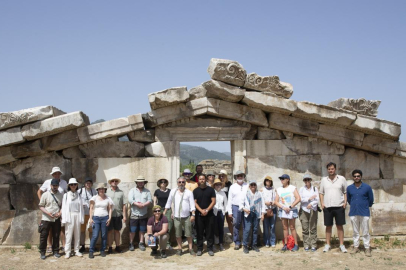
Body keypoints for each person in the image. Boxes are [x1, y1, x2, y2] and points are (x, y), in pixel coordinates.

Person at [37, 167, 68, 253]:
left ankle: (63, 245)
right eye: (55, 173)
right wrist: (43, 202)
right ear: (52, 174)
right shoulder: (47, 182)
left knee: (61, 227)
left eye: (58, 173)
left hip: (61, 208)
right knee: (49, 229)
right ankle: (50, 245)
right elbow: (39, 191)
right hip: (49, 209)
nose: (57, 175)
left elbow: (67, 193)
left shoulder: (64, 182)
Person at [319, 162, 348, 253]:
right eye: (329, 169)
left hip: (339, 205)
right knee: (328, 226)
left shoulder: (342, 179)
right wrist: (322, 203)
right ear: (327, 170)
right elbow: (321, 193)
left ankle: (342, 245)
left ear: (335, 169)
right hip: (327, 206)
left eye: (332, 169)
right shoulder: (324, 180)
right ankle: (327, 244)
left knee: (340, 226)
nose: (331, 170)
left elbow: (345, 191)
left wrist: (345, 202)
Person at [164, 176, 196, 256]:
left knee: (188, 234)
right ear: (177, 183)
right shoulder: (173, 191)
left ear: (185, 183)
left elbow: (192, 204)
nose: (181, 183)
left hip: (187, 217)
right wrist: (164, 212)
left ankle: (190, 248)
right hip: (176, 217)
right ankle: (180, 249)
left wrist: (193, 215)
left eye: (183, 182)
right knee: (178, 234)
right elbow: (169, 202)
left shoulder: (189, 192)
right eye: (179, 182)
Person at [347, 169, 374, 257]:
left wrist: (365, 206)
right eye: (355, 176)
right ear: (353, 177)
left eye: (358, 176)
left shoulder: (367, 187)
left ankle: (367, 248)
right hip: (354, 211)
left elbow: (371, 199)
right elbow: (349, 199)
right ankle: (356, 246)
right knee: (355, 231)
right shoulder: (349, 188)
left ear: (361, 177)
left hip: (364, 212)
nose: (356, 177)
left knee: (365, 231)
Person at [274, 174, 301, 252]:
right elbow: (276, 201)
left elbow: (298, 198)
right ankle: (286, 244)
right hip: (283, 210)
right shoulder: (279, 189)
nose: (281, 180)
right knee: (285, 228)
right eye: (281, 179)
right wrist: (283, 207)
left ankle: (296, 244)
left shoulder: (292, 188)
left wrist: (290, 206)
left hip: (291, 210)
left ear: (287, 180)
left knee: (292, 227)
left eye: (283, 179)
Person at [38, 179, 63, 260]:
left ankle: (56, 251)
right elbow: (41, 206)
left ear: (58, 186)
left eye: (56, 185)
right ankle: (42, 252)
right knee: (44, 235)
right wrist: (48, 213)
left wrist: (59, 213)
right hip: (46, 218)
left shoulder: (61, 195)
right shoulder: (45, 195)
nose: (55, 187)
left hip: (56, 218)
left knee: (56, 235)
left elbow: (63, 206)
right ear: (51, 185)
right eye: (53, 185)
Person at [88, 183, 114, 258]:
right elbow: (91, 208)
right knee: (95, 235)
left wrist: (109, 218)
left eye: (102, 189)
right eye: (100, 189)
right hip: (96, 218)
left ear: (105, 190)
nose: (101, 190)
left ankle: (102, 250)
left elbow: (110, 209)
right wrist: (90, 218)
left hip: (105, 218)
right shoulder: (94, 198)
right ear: (98, 190)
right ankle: (91, 251)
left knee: (104, 235)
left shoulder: (108, 198)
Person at [240, 180, 265, 254]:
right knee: (247, 230)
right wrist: (245, 209)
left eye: (254, 185)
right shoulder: (245, 194)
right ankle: (245, 246)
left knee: (255, 230)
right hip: (248, 213)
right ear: (249, 186)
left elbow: (263, 204)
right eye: (252, 185)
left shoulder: (259, 194)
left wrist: (263, 214)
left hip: (256, 214)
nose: (253, 186)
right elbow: (241, 204)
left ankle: (254, 245)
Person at [128, 175, 152, 251]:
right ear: (137, 182)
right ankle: (131, 243)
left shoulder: (147, 191)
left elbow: (150, 200)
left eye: (142, 182)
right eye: (139, 182)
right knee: (132, 230)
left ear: (144, 183)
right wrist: (137, 204)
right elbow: (130, 200)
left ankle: (141, 243)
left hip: (143, 213)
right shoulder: (132, 190)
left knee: (142, 230)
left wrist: (144, 204)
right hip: (134, 214)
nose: (140, 183)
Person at [61, 178, 84, 258]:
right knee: (68, 234)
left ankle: (76, 250)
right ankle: (68, 251)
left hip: (77, 215)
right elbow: (63, 208)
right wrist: (64, 219)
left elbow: (81, 207)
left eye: (74, 184)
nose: (73, 186)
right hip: (69, 216)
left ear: (77, 185)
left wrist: (81, 218)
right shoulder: (66, 195)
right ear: (69, 186)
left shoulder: (79, 195)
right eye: (71, 184)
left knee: (77, 234)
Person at [193, 174, 216, 256]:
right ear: (198, 180)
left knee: (210, 232)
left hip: (209, 214)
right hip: (199, 215)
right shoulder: (195, 191)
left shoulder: (211, 190)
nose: (202, 180)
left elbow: (213, 201)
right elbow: (194, 202)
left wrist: (206, 210)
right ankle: (199, 249)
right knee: (199, 232)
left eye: (203, 179)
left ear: (206, 180)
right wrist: (201, 211)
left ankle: (210, 248)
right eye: (200, 179)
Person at [226, 170, 248, 250]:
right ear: (236, 177)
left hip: (245, 207)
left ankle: (245, 242)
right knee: (236, 225)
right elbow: (230, 200)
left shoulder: (247, 185)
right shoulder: (232, 187)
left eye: (241, 176)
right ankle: (237, 242)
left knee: (246, 225)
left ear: (243, 177)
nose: (240, 177)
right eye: (238, 176)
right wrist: (230, 212)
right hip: (235, 207)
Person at [299, 173, 319, 252]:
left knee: (313, 228)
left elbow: (317, 199)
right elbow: (300, 199)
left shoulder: (315, 189)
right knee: (305, 228)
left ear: (310, 180)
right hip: (304, 209)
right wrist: (309, 198)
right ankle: (306, 244)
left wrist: (311, 204)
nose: (307, 181)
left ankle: (313, 244)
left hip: (312, 209)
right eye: (305, 180)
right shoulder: (301, 189)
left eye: (308, 179)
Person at [106, 177, 127, 254]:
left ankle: (117, 246)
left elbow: (124, 205)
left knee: (117, 231)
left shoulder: (121, 192)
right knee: (109, 231)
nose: (114, 182)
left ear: (117, 183)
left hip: (118, 214)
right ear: (110, 182)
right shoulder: (107, 192)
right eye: (113, 181)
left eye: (116, 181)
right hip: (109, 215)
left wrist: (124, 216)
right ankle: (110, 247)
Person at [153, 178, 173, 250]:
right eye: (161, 182)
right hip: (159, 210)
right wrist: (155, 210)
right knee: (158, 225)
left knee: (169, 226)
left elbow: (171, 202)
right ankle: (158, 242)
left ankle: (167, 243)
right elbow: (155, 201)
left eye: (164, 182)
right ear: (159, 183)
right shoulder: (157, 191)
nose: (163, 183)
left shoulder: (170, 191)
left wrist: (172, 212)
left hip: (168, 210)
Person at [79, 177, 96, 252]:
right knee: (82, 230)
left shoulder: (94, 191)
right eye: (87, 183)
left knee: (91, 229)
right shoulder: (80, 191)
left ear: (91, 184)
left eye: (89, 183)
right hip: (83, 213)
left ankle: (92, 245)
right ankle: (82, 245)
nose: (88, 184)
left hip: (91, 214)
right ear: (84, 184)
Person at [261, 176, 277, 248]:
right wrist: (265, 202)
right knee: (266, 227)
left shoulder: (274, 189)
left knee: (272, 226)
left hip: (273, 209)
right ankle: (266, 241)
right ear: (265, 181)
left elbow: (277, 198)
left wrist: (274, 202)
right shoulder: (262, 190)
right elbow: (261, 200)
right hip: (265, 210)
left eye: (269, 181)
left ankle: (272, 241)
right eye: (267, 181)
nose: (268, 182)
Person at [213, 179, 227, 251]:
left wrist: (225, 212)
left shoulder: (223, 193)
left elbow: (225, 203)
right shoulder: (212, 192)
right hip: (214, 212)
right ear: (214, 186)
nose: (218, 186)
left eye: (219, 184)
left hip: (221, 212)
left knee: (221, 228)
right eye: (216, 184)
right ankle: (214, 243)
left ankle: (221, 243)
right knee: (213, 228)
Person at [219, 170, 233, 236]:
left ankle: (233, 236)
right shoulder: (218, 184)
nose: (221, 177)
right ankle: (221, 237)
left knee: (229, 221)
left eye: (223, 176)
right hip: (220, 205)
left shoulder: (229, 184)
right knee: (220, 222)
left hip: (227, 205)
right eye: (220, 176)